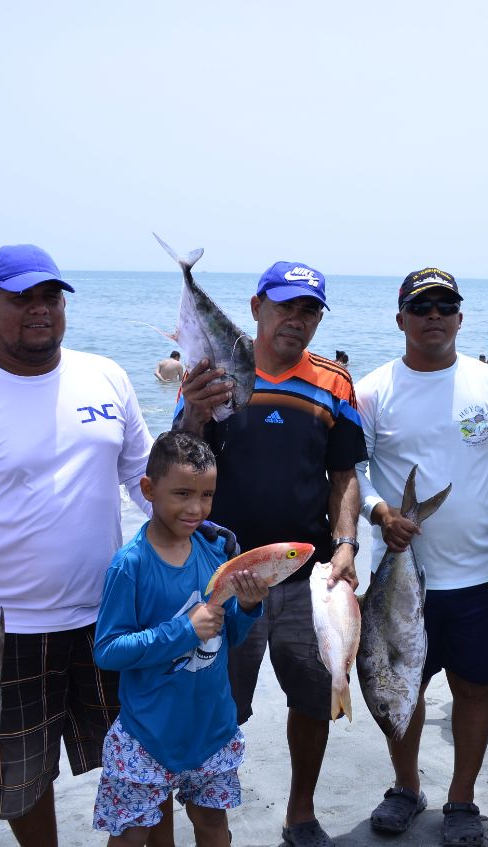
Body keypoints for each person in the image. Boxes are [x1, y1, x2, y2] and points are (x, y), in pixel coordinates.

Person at [0, 244, 156, 846]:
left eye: (50, 296)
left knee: (143, 761)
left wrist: (194, 525)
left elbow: (143, 478)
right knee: (21, 780)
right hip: (5, 630)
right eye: (21, 298)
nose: (40, 309)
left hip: (112, 616)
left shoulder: (108, 376)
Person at [175, 260, 364, 847]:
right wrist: (195, 409)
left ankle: (300, 812)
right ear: (256, 307)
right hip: (224, 577)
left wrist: (348, 543)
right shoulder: (216, 371)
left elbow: (344, 475)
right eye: (285, 306)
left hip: (306, 577)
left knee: (313, 697)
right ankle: (213, 822)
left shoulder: (334, 381)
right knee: (217, 703)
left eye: (309, 310)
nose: (297, 320)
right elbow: (182, 463)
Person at [357, 267, 488, 847]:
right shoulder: (372, 389)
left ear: (460, 318)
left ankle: (462, 797)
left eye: (444, 305)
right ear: (401, 319)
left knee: (475, 688)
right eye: (421, 306)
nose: (433, 315)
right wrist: (380, 512)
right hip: (397, 578)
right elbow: (352, 474)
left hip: (480, 575)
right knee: (399, 689)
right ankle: (406, 787)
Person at [93, 431, 270, 847]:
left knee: (212, 825)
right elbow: (107, 650)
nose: (196, 508)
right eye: (183, 493)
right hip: (146, 733)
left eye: (207, 495)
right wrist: (183, 630)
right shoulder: (130, 565)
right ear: (149, 489)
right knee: (131, 835)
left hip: (212, 728)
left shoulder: (216, 555)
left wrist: (247, 607)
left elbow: (230, 637)